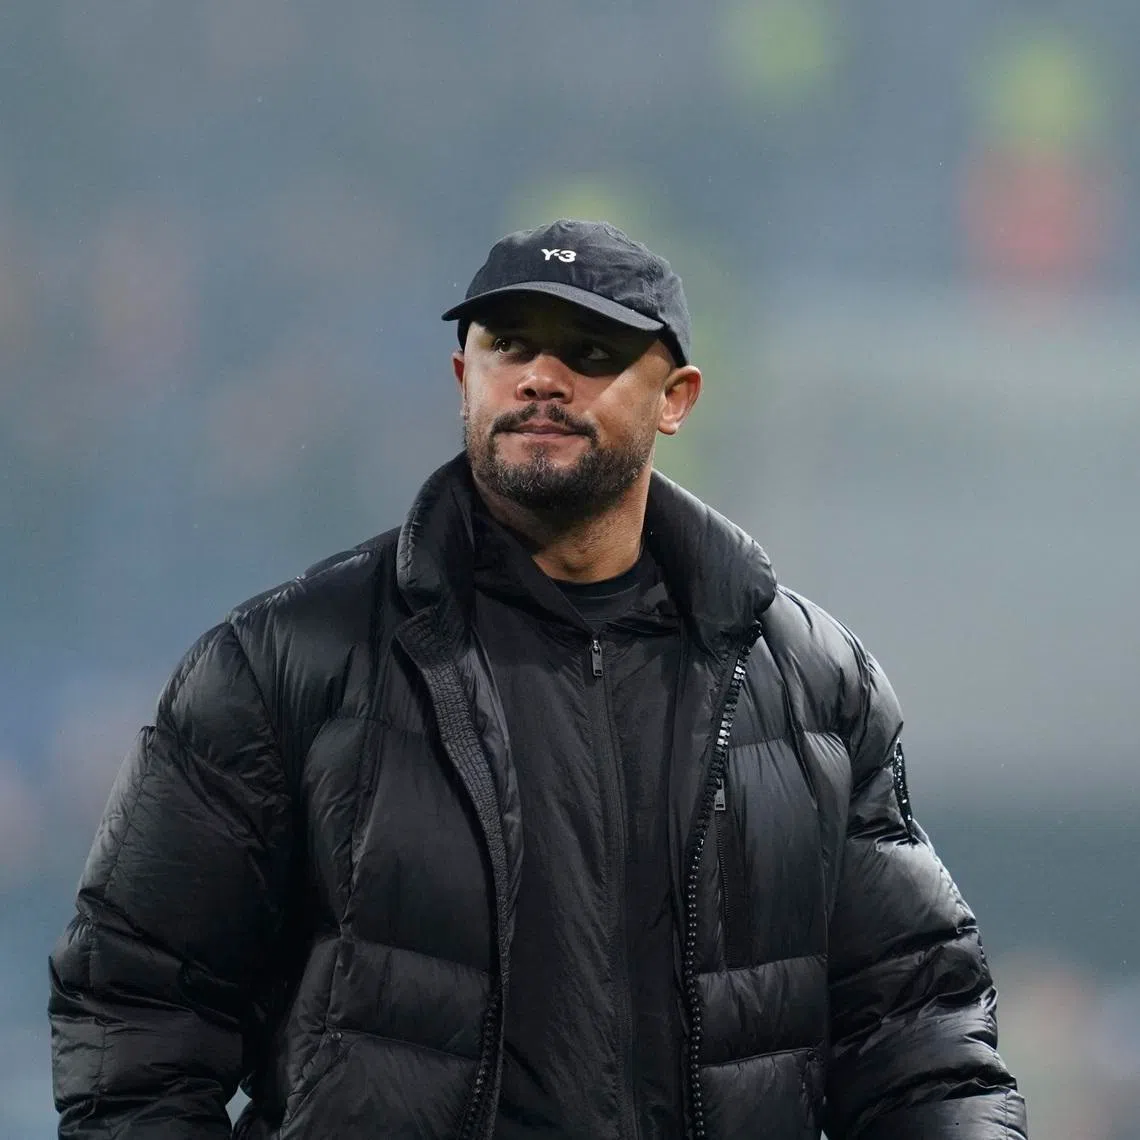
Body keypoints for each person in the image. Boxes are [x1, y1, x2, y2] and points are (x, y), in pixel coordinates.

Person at [49, 219, 1027, 1139]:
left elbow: (918, 1037)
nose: (541, 379)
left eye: (591, 353)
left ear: (677, 397)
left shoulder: (814, 686)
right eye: (510, 347)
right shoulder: (283, 663)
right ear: (462, 376)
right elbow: (134, 1005)